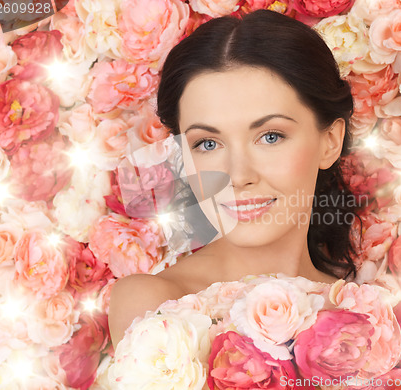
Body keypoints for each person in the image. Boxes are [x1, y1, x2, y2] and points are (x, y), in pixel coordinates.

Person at [108, 8, 358, 349]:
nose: (238, 176)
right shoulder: (156, 305)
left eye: (270, 136)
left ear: (330, 141)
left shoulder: (366, 313)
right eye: (207, 144)